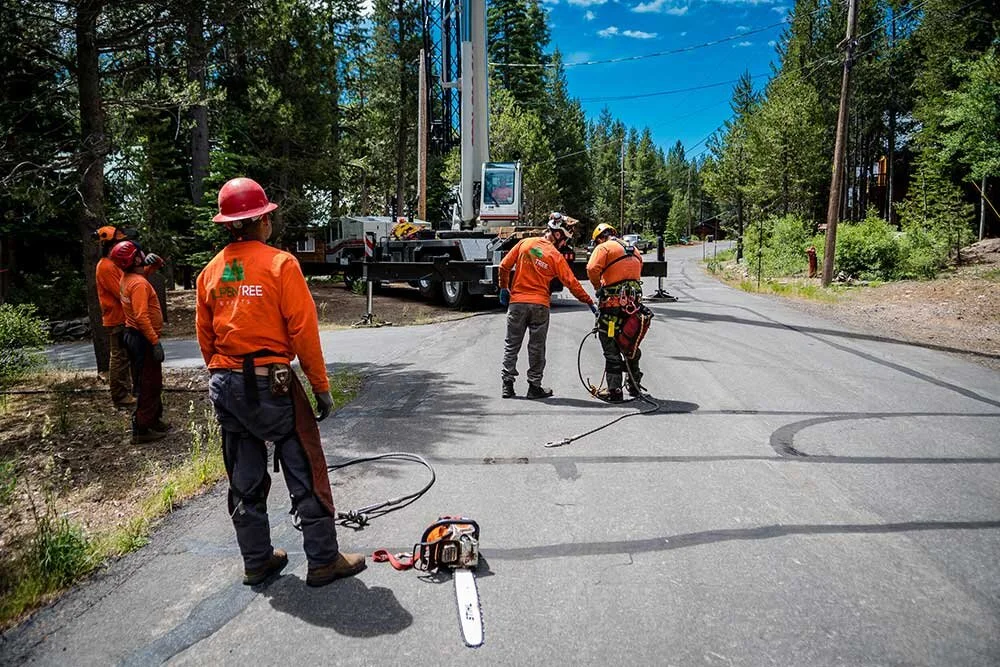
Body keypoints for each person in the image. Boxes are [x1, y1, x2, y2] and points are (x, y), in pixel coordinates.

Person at [196, 176, 365, 587]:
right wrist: (320, 386)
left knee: (244, 472)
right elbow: (303, 331)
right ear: (260, 221)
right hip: (270, 382)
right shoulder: (280, 264)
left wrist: (227, 377)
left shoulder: (211, 273)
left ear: (228, 225)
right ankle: (323, 559)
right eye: (267, 216)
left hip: (226, 382)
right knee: (305, 464)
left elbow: (206, 339)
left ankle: (256, 560)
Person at [498, 213, 598, 399]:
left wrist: (504, 288)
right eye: (564, 241)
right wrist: (589, 301)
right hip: (539, 306)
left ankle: (507, 385)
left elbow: (504, 266)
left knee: (511, 344)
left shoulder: (524, 244)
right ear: (558, 235)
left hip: (517, 304)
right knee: (537, 347)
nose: (563, 245)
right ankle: (534, 386)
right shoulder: (555, 256)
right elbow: (572, 283)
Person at [110, 240, 171, 442]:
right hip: (142, 338)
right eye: (139, 252)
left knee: (153, 381)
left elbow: (148, 271)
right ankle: (142, 429)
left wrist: (155, 262)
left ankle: (153, 419)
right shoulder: (138, 284)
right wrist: (155, 342)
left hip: (136, 336)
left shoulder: (130, 278)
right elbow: (141, 317)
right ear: (135, 258)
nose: (143, 253)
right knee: (147, 384)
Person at [586, 223, 645, 402]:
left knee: (610, 346)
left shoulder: (604, 248)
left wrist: (598, 287)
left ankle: (615, 390)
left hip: (612, 308)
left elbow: (591, 269)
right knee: (629, 343)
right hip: (632, 308)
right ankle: (634, 386)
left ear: (600, 238)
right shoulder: (634, 250)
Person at [94, 226, 136, 408]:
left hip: (122, 317)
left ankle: (126, 391)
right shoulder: (106, 267)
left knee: (124, 356)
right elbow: (121, 292)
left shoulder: (112, 264)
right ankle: (120, 395)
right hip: (117, 318)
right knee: (119, 357)